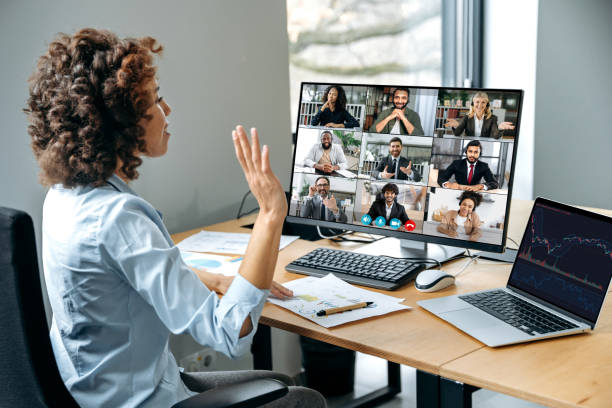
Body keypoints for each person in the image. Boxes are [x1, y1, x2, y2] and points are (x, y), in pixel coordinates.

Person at [24, 28, 325, 408]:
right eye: (156, 100)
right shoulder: (119, 218)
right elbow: (230, 333)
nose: (167, 111)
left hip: (92, 391)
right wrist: (270, 214)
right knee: (302, 400)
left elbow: (124, 277)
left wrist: (213, 279)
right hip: (140, 400)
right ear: (123, 122)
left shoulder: (64, 197)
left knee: (277, 381)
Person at [444, 92, 515, 139]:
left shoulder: (492, 118)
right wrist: (456, 125)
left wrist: (499, 128)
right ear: (473, 104)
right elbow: (457, 133)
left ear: (487, 105)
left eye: (483, 102)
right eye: (477, 102)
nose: (480, 105)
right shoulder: (467, 117)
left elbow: (495, 136)